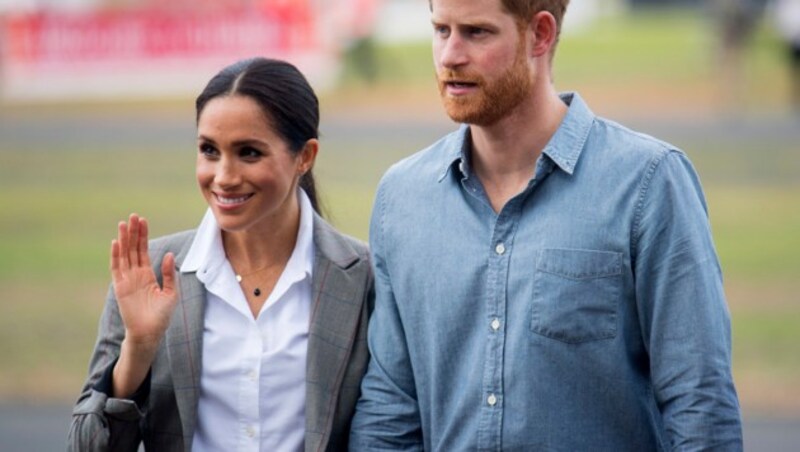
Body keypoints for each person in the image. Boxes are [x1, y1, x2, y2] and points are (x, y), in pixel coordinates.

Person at [349, 0, 742, 450]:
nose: (449, 56)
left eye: (476, 33)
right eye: (441, 30)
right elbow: (389, 410)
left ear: (540, 34)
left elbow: (700, 404)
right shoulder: (402, 198)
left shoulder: (648, 184)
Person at [68, 57, 374, 452]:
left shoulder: (364, 278)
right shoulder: (150, 274)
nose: (224, 176)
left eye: (248, 153)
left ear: (305, 156)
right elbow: (87, 447)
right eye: (209, 151)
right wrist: (138, 350)